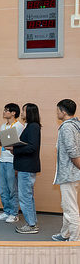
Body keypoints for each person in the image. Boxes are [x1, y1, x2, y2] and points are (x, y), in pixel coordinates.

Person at [7, 103, 41, 234]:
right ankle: (32, 223)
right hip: (26, 166)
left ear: (30, 112)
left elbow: (32, 147)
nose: (22, 113)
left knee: (25, 197)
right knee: (28, 197)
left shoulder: (33, 127)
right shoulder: (31, 126)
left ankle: (31, 225)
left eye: (24, 111)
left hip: (27, 167)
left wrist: (15, 149)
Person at [52, 99, 80, 242]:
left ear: (63, 112)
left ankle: (75, 240)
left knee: (70, 208)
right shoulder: (76, 124)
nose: (57, 113)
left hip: (69, 174)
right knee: (66, 205)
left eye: (58, 110)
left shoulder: (67, 127)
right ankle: (65, 234)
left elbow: (73, 152)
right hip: (71, 173)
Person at [0, 103, 24, 223]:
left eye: (6, 110)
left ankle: (14, 213)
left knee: (12, 189)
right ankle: (6, 211)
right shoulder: (3, 126)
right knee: (3, 188)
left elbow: (21, 145)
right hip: (2, 159)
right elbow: (2, 144)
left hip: (12, 160)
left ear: (13, 113)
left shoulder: (19, 126)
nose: (4, 112)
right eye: (4, 110)